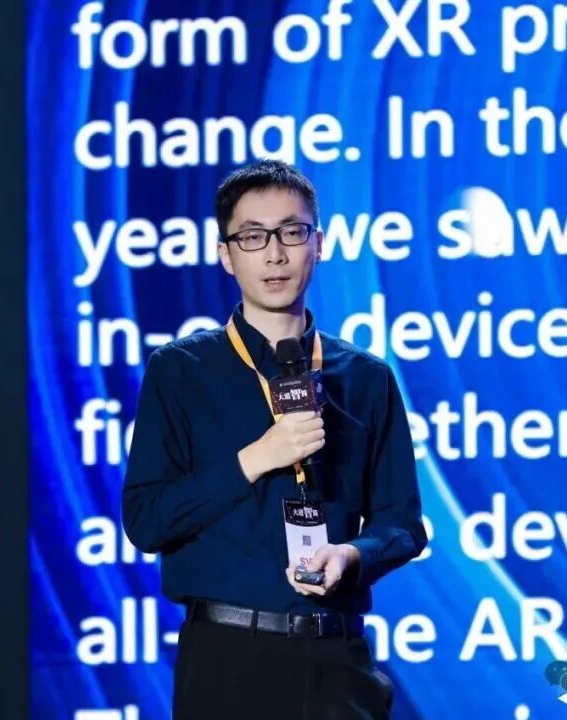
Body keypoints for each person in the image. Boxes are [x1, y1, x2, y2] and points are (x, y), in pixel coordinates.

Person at [122, 159, 427, 719]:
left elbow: (403, 523)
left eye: (292, 232)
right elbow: (146, 521)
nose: (275, 254)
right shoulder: (180, 371)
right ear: (226, 254)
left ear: (319, 244)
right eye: (253, 236)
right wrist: (255, 459)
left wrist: (353, 554)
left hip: (337, 658)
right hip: (228, 661)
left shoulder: (366, 377)